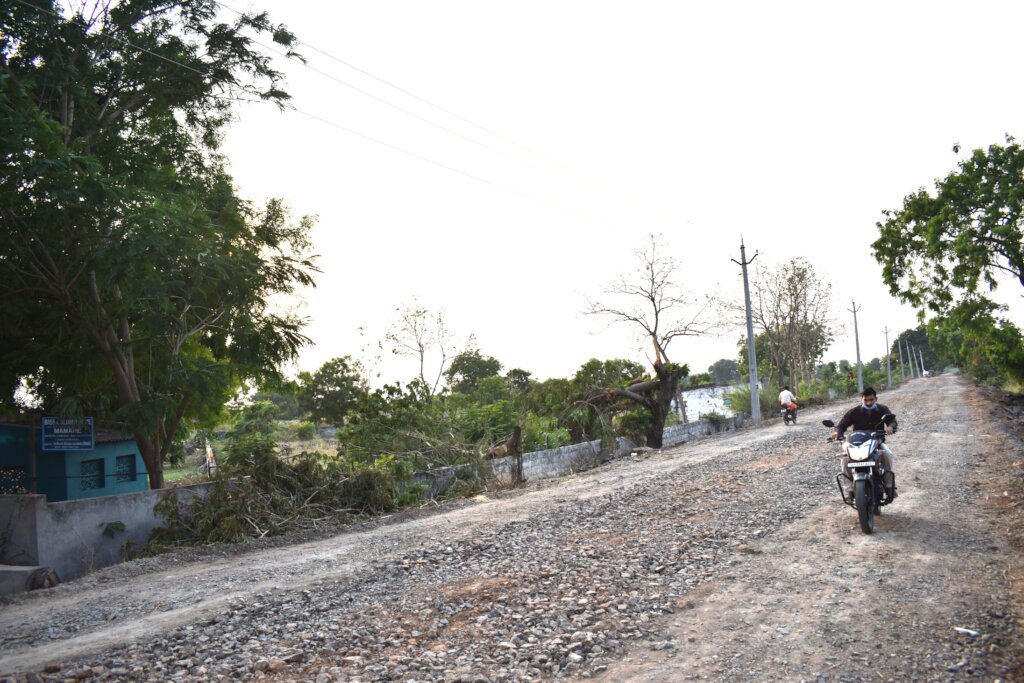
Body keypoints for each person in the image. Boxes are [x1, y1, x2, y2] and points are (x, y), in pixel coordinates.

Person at [830, 387, 898, 502]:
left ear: (876, 399)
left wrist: (891, 427)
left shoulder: (882, 409)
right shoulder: (854, 412)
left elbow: (892, 421)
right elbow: (841, 425)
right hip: (857, 444)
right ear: (861, 399)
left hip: (876, 442)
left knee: (887, 455)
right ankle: (849, 491)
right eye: (865, 400)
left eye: (871, 400)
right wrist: (837, 432)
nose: (869, 403)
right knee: (845, 460)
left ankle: (889, 487)